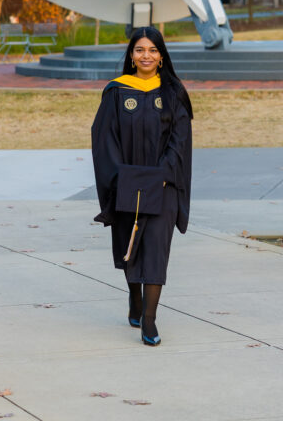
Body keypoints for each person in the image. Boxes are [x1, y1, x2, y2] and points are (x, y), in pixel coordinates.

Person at [91, 26, 192, 346]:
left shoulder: (173, 92)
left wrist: (163, 173)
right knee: (129, 246)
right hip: (127, 183)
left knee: (156, 251)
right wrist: (121, 177)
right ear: (131, 56)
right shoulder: (117, 91)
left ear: (162, 56)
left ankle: (149, 319)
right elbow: (104, 137)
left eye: (152, 50)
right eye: (139, 50)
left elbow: (180, 139)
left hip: (163, 184)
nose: (146, 56)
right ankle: (134, 297)